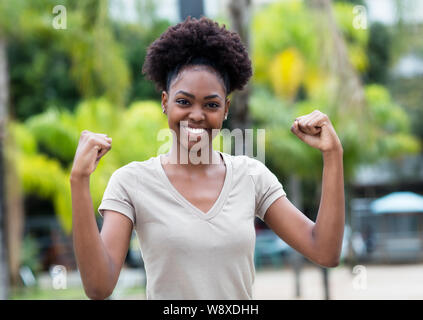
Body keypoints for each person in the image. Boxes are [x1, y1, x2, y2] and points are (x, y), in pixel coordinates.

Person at [70, 16, 345, 300]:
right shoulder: (132, 182)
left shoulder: (251, 177)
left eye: (211, 104)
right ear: (165, 102)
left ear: (225, 108)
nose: (197, 115)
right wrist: (79, 181)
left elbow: (324, 251)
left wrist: (333, 154)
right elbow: (99, 287)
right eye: (183, 102)